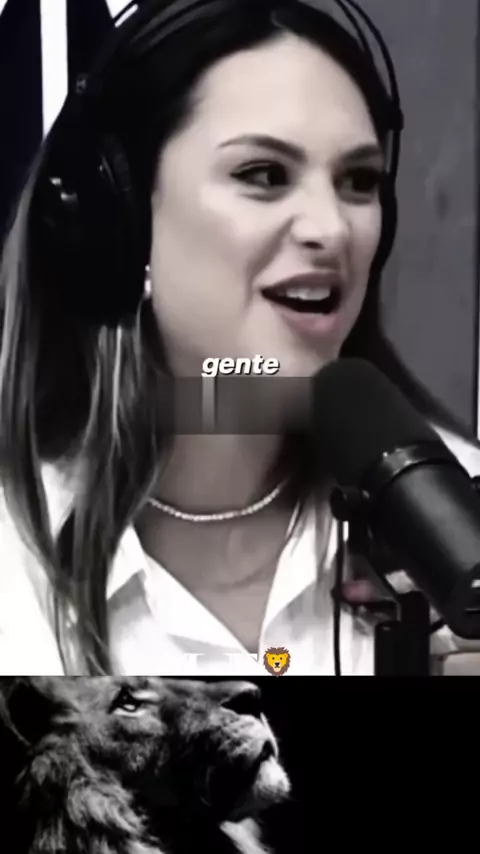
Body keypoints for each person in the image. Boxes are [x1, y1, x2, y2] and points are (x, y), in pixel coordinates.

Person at [0, 0, 479, 676]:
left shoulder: (463, 521)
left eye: (359, 181)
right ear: (121, 222)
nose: (331, 229)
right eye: (264, 176)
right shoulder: (13, 560)